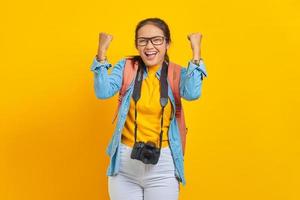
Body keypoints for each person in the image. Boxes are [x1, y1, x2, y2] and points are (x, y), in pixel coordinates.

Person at [90, 17, 207, 200]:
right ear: (137, 45)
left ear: (167, 43)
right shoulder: (127, 67)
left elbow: (192, 93)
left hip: (163, 165)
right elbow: (103, 92)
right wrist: (101, 53)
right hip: (124, 165)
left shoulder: (176, 73)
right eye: (143, 41)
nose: (149, 46)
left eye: (157, 40)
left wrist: (196, 52)